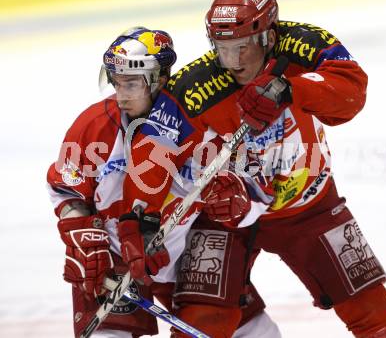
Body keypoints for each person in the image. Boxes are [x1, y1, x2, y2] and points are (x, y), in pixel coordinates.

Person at [123, 0, 386, 338]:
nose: (234, 62)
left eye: (242, 48)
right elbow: (153, 150)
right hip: (225, 214)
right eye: (223, 50)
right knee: (201, 323)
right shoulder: (197, 86)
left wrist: (291, 89)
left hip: (309, 206)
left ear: (268, 36)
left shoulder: (305, 45)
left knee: (374, 315)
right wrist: (138, 219)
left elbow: (353, 91)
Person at [47, 26, 280, 338]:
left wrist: (237, 201)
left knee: (255, 332)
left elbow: (259, 192)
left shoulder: (203, 126)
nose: (120, 94)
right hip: (115, 255)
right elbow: (66, 187)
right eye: (116, 81)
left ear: (159, 79)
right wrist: (81, 235)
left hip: (185, 252)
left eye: (131, 83)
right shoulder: (94, 126)